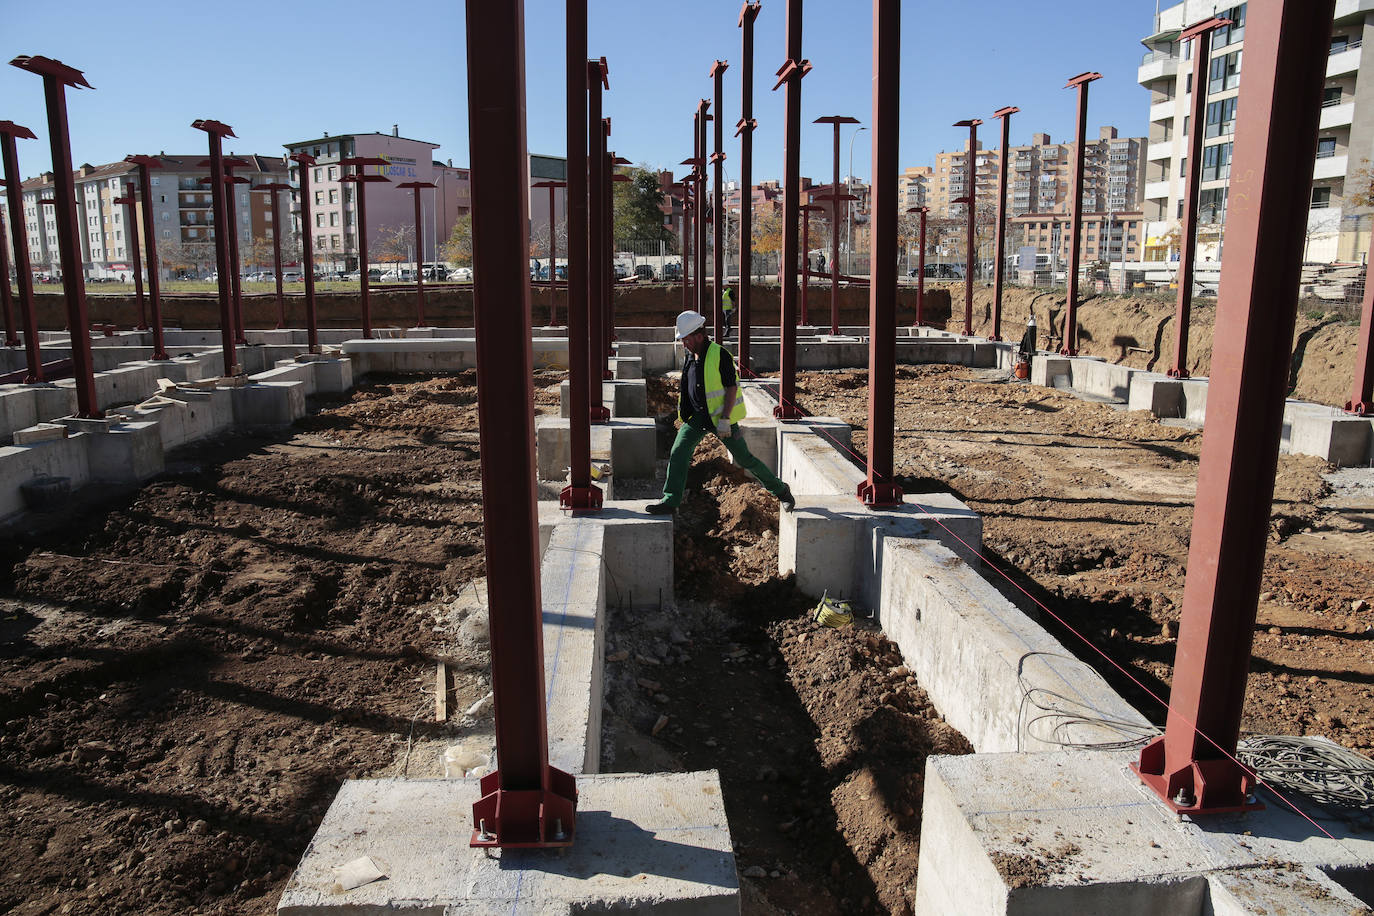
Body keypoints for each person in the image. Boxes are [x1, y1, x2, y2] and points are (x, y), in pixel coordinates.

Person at [646, 311, 795, 515]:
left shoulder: (720, 354)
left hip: (720, 419)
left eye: (686, 339)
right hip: (697, 418)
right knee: (678, 452)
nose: (684, 344)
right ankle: (671, 500)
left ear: (699, 336)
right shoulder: (691, 356)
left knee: (745, 459)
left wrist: (725, 419)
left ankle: (782, 491)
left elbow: (731, 387)